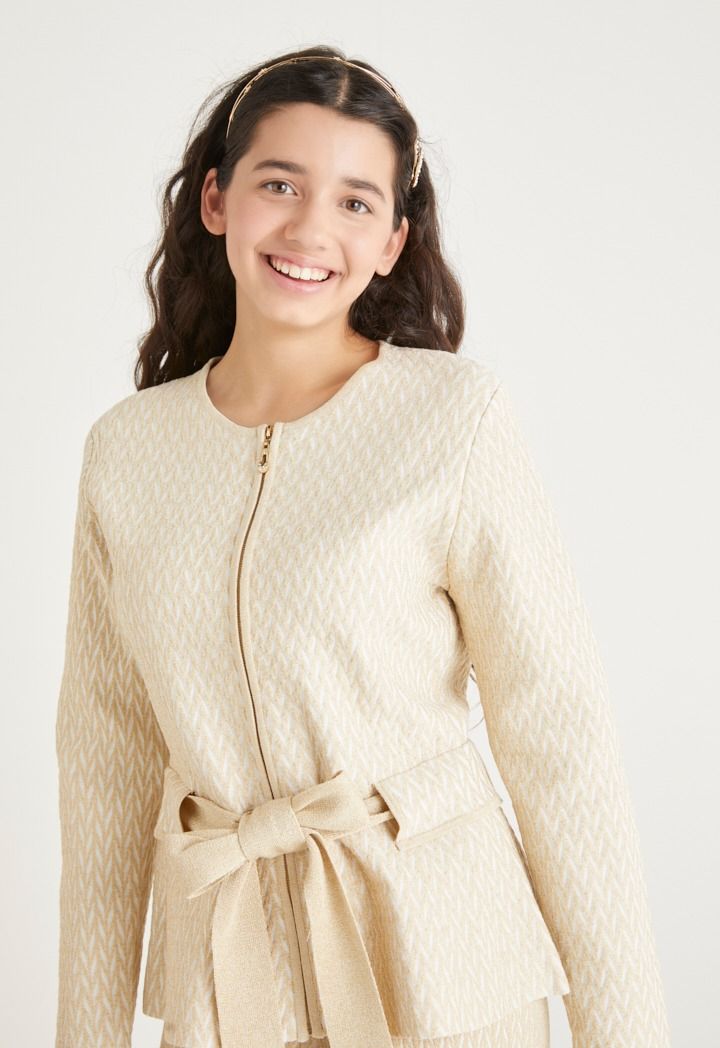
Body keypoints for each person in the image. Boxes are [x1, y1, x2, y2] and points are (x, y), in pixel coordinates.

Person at [54, 44, 672, 1048]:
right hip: (230, 980)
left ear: (391, 240)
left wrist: (626, 1034)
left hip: (444, 975)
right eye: (280, 184)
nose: (310, 228)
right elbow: (104, 764)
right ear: (216, 199)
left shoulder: (454, 419)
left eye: (354, 201)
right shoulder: (128, 453)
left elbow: (559, 741)